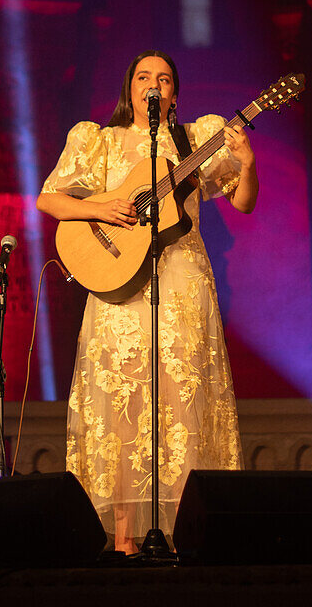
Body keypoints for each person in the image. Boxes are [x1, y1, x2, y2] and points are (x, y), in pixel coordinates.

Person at [36, 50, 258, 554]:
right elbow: (49, 198)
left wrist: (247, 163)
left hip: (182, 285)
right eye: (142, 76)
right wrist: (99, 206)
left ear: (174, 93)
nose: (152, 84)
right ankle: (123, 546)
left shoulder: (196, 138)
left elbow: (243, 201)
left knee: (181, 406)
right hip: (120, 288)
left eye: (163, 78)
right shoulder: (100, 140)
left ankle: (188, 542)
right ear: (129, 88)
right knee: (123, 407)